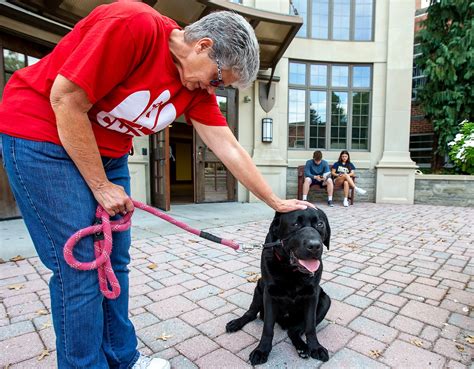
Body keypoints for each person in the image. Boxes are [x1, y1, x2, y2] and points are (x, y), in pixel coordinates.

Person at [0, 3, 313, 369]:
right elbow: (65, 99)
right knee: (82, 267)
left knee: (115, 262)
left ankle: (123, 357)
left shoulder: (195, 90)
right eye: (217, 79)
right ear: (203, 45)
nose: (212, 89)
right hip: (42, 139)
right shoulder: (134, 25)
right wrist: (100, 186)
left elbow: (228, 145)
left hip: (109, 154)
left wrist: (273, 200)